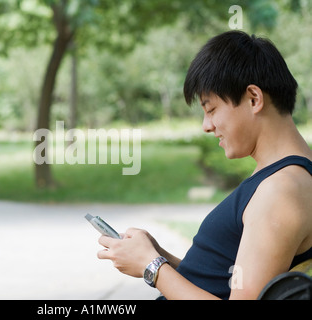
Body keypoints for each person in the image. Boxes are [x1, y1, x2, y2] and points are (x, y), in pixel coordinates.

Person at [97, 30, 312, 300]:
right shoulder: (283, 177)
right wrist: (158, 257)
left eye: (210, 109)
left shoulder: (281, 190)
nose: (206, 126)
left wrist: (152, 268)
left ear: (254, 99)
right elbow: (223, 281)